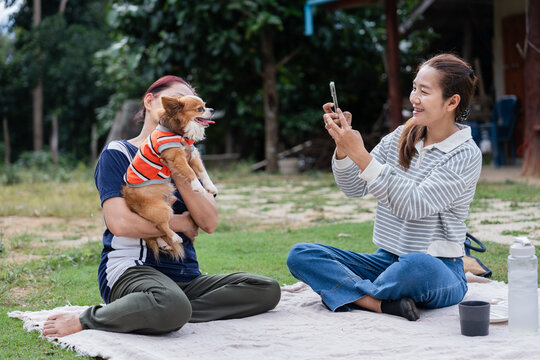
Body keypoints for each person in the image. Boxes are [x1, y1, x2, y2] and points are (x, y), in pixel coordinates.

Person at [43, 75, 281, 337]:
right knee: (171, 303)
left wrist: (176, 161)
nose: (180, 107)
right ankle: (90, 318)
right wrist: (180, 223)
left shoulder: (186, 154)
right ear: (149, 101)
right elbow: (119, 223)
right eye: (176, 99)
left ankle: (162, 311)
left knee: (266, 289)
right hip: (132, 270)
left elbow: (209, 222)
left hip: (185, 278)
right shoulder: (118, 153)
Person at [287, 53, 481, 321]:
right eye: (414, 88)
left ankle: (352, 292)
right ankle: (378, 302)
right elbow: (354, 186)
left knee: (415, 265)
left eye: (424, 91)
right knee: (302, 255)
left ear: (452, 102)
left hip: (438, 267)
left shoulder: (465, 154)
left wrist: (362, 155)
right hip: (385, 261)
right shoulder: (402, 135)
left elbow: (415, 204)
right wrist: (344, 151)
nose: (414, 98)